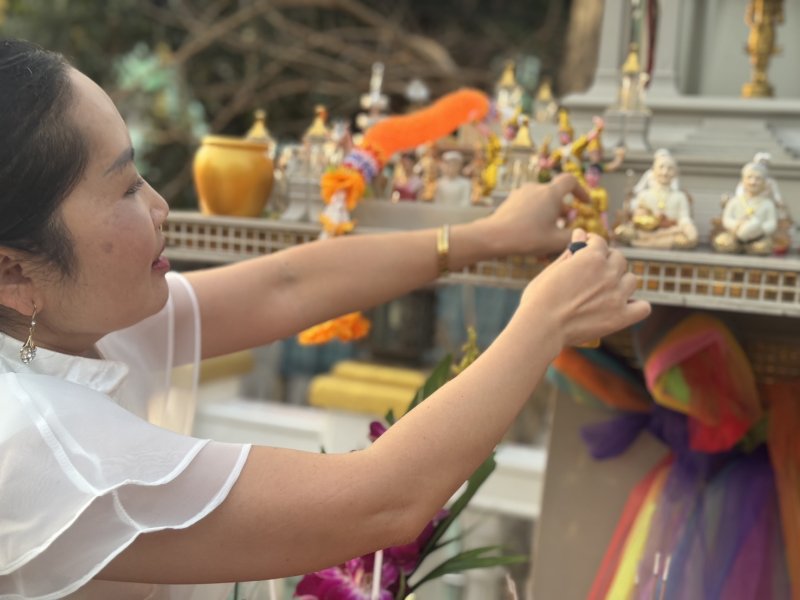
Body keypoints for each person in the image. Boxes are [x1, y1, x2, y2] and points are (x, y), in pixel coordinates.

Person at [0, 39, 650, 599]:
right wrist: (545, 321)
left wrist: (487, 236)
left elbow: (285, 287)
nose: (160, 204)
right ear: (15, 274)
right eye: (124, 187)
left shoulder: (73, 324)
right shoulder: (29, 438)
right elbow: (381, 500)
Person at [614, 149, 698, 249]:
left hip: (670, 232)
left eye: (670, 168)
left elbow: (684, 218)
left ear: (675, 173)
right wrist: (645, 218)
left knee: (689, 237)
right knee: (622, 231)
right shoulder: (644, 195)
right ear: (653, 171)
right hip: (646, 231)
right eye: (661, 167)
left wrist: (688, 227)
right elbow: (637, 218)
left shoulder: (680, 196)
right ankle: (652, 242)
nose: (665, 172)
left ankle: (648, 242)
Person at [713, 161, 778, 255]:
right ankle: (738, 244)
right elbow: (727, 219)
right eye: (749, 177)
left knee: (762, 247)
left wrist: (760, 228)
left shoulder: (768, 204)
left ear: (764, 183)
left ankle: (751, 246)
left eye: (758, 179)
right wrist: (737, 224)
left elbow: (771, 223)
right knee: (722, 242)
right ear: (743, 181)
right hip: (735, 235)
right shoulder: (734, 201)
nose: (753, 182)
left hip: (757, 238)